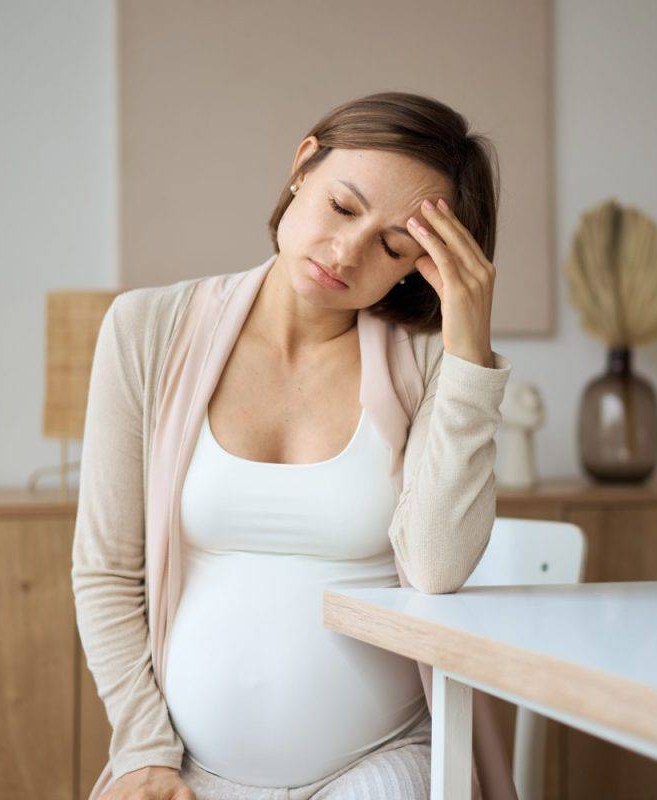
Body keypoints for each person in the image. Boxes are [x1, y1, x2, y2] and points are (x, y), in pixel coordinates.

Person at [73, 91, 517, 800]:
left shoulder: (429, 363)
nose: (347, 252)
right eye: (343, 208)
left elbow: (434, 568)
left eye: (394, 246)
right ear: (303, 166)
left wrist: (469, 350)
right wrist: (143, 751)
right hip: (183, 769)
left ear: (419, 267)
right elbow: (105, 572)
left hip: (381, 764)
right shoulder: (144, 328)